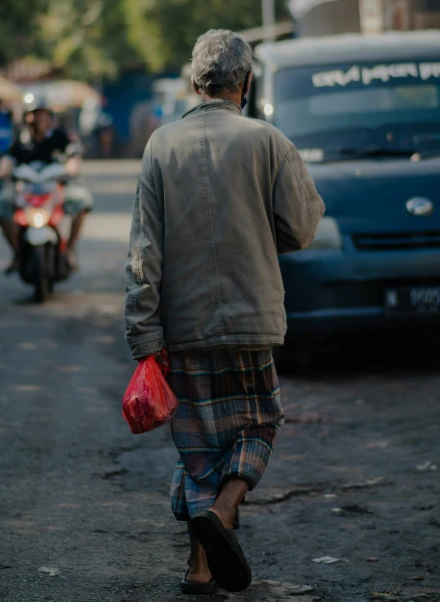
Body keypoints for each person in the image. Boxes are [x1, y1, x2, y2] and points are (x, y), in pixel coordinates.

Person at [124, 29, 325, 594]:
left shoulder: (161, 145)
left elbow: (144, 252)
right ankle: (227, 507)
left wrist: (143, 333)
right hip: (251, 318)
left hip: (181, 327)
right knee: (259, 423)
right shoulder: (269, 142)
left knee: (197, 451)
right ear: (247, 83)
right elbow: (302, 227)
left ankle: (199, 567)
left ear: (195, 82)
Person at [0, 107, 93, 273]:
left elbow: (73, 155)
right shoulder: (21, 139)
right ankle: (17, 254)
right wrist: (3, 170)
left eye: (40, 115)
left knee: (82, 200)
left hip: (54, 190)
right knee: (1, 202)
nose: (36, 119)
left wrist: (73, 168)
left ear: (49, 119)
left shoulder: (59, 136)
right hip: (26, 191)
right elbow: (8, 158)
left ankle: (69, 250)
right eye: (33, 115)